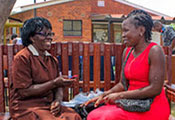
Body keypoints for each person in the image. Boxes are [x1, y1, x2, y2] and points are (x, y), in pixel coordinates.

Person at [82, 9, 170, 120]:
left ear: (141, 30)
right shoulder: (127, 52)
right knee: (93, 115)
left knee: (107, 117)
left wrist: (120, 95)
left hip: (151, 106)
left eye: (126, 31)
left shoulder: (155, 51)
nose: (123, 35)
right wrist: (105, 94)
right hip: (130, 103)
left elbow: (155, 89)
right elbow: (123, 84)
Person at [9, 17, 82, 120]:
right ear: (32, 38)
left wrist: (57, 100)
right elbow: (24, 92)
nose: (49, 38)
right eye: (44, 34)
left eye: (50, 34)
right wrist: (54, 83)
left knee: (74, 116)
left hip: (47, 105)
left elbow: (58, 86)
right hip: (26, 107)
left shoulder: (52, 60)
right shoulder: (22, 58)